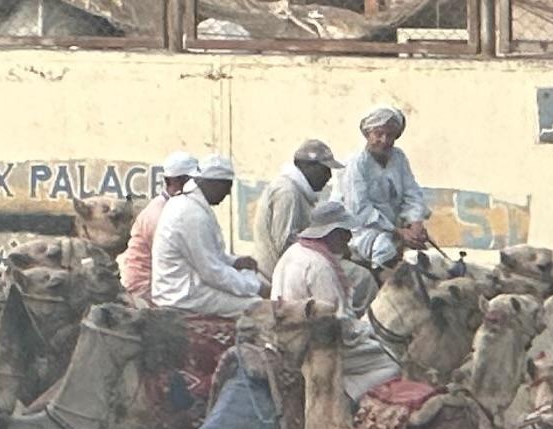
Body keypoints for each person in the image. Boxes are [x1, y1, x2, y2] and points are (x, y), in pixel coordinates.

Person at [269, 212, 406, 402]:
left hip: (286, 337)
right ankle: (345, 399)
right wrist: (368, 329)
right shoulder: (319, 266)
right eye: (344, 233)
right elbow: (339, 324)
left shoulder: (292, 252)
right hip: (316, 345)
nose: (349, 238)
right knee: (392, 363)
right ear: (330, 234)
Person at [149, 153, 265, 315]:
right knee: (257, 306)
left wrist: (235, 262)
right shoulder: (191, 214)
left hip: (187, 284)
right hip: (182, 295)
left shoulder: (190, 204)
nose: (228, 193)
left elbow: (211, 257)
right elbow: (212, 272)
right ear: (214, 184)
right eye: (227, 187)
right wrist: (255, 288)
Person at [333, 105, 433, 269]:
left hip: (395, 229)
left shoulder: (398, 157)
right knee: (384, 247)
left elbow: (412, 192)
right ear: (367, 134)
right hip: (359, 231)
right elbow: (360, 210)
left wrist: (415, 223)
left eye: (390, 135)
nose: (385, 140)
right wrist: (399, 232)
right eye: (378, 134)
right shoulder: (356, 163)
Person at [250, 136, 339, 271]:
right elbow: (284, 244)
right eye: (325, 169)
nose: (329, 176)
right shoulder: (288, 192)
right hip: (276, 273)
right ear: (307, 166)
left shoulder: (296, 190)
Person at [121, 149, 194, 307]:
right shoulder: (159, 214)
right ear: (177, 182)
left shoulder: (176, 207)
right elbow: (179, 259)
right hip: (144, 288)